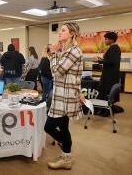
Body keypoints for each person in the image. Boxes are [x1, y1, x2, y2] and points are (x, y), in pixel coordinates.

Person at [44, 22, 83, 170]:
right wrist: (56, 53)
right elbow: (62, 73)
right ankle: (66, 154)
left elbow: (56, 72)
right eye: (60, 30)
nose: (59, 33)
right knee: (64, 128)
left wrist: (53, 53)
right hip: (61, 97)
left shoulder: (74, 51)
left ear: (72, 33)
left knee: (49, 127)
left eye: (63, 30)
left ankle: (66, 150)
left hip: (65, 99)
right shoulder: (66, 50)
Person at [96, 32, 121, 101]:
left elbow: (111, 62)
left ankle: (105, 105)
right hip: (108, 73)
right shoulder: (112, 48)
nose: (105, 41)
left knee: (107, 89)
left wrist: (99, 61)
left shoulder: (114, 48)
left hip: (110, 75)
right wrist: (102, 59)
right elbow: (109, 60)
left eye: (106, 39)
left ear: (111, 40)